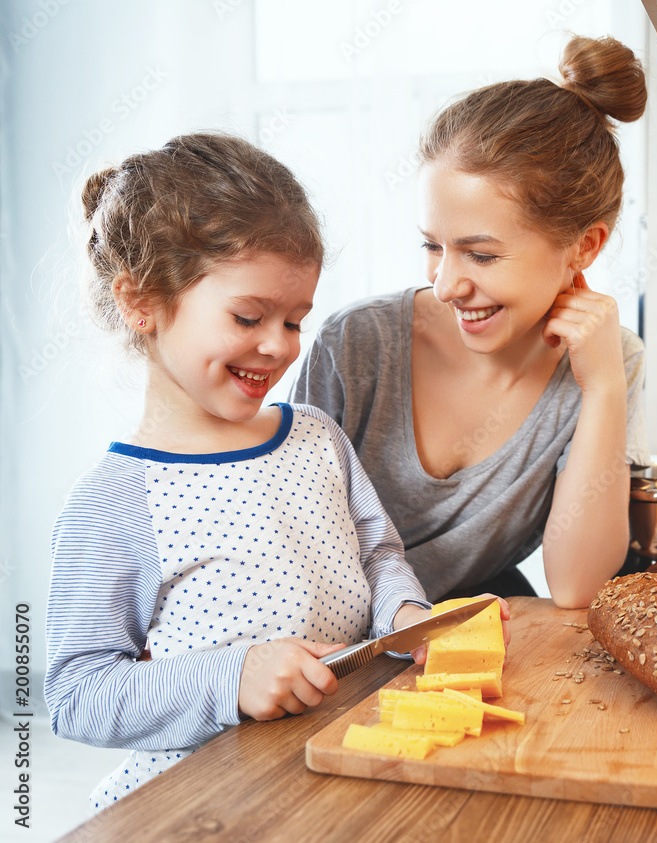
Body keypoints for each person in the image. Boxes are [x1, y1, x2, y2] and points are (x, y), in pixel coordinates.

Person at [42, 133, 471, 813]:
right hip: (198, 810)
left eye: (295, 320)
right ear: (141, 301)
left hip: (332, 779)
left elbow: (377, 551)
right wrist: (230, 675)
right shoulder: (114, 501)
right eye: (249, 316)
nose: (279, 345)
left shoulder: (316, 435)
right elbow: (77, 695)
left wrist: (407, 615)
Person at [291, 35, 650, 608]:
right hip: (330, 646)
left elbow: (578, 585)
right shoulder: (357, 344)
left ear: (585, 246)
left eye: (481, 255)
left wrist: (604, 388)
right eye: (433, 246)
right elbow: (277, 538)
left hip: (467, 640)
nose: (446, 285)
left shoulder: (609, 361)